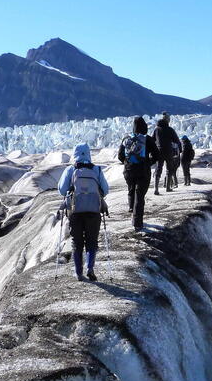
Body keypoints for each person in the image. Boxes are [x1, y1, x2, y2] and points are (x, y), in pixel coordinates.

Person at [58, 143, 109, 282]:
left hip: (75, 211)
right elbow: (105, 189)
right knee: (92, 241)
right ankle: (90, 267)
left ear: (75, 154)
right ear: (89, 154)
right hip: (93, 211)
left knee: (77, 242)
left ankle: (79, 273)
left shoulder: (70, 170)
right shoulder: (96, 169)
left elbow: (62, 190)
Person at [117, 116, 159, 231]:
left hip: (129, 171)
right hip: (142, 171)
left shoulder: (126, 138)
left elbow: (120, 156)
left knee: (131, 190)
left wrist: (127, 163)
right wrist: (148, 163)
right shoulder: (148, 139)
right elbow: (157, 155)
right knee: (139, 196)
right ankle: (137, 223)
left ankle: (131, 208)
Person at [153, 112, 181, 194]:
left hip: (159, 151)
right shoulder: (170, 129)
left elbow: (152, 139)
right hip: (169, 151)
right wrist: (179, 150)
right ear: (167, 120)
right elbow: (177, 140)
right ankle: (168, 187)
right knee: (169, 169)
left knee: (158, 169)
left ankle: (156, 189)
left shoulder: (156, 129)